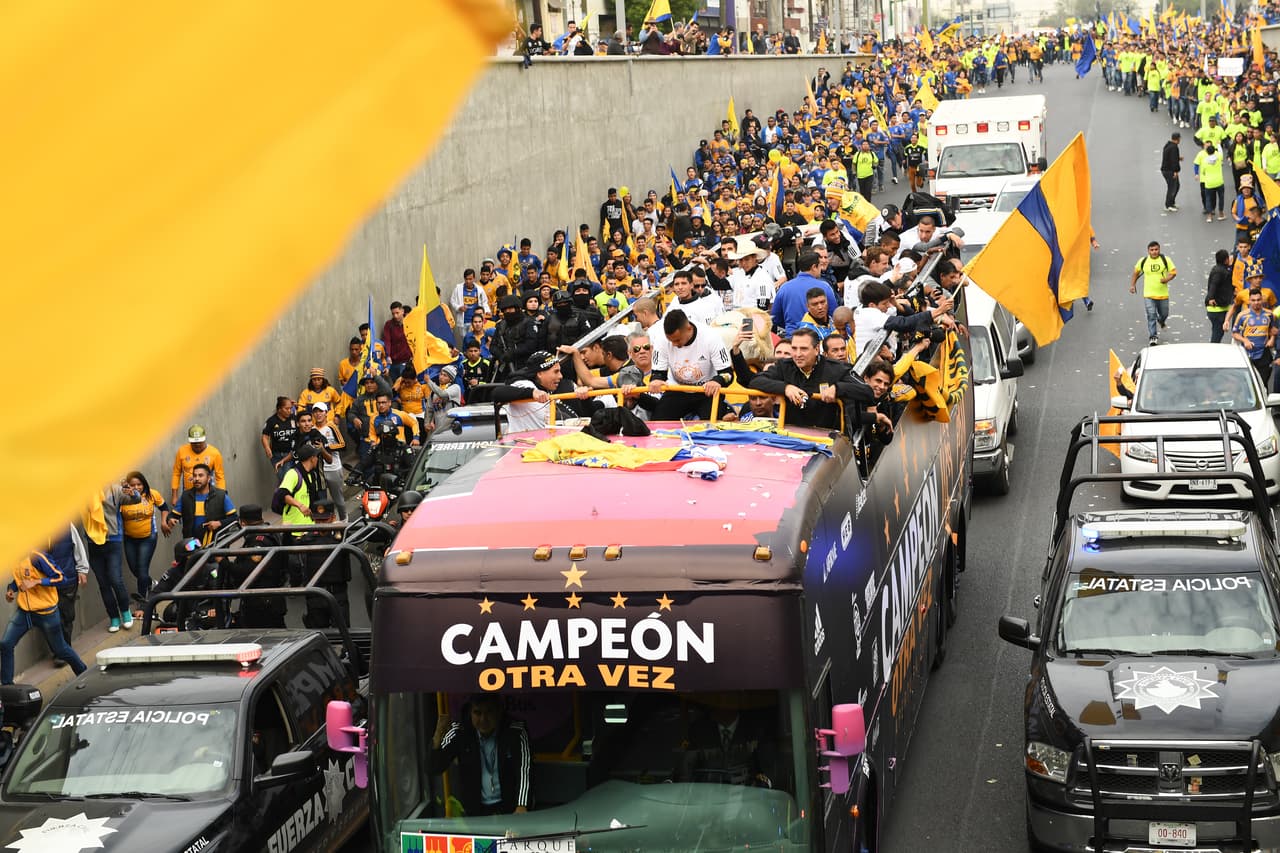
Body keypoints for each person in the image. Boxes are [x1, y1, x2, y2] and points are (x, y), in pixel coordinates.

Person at [749, 328, 877, 430]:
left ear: (816, 349)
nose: (798, 354)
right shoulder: (784, 366)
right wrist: (785, 388)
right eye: (794, 349)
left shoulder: (838, 369)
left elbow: (867, 392)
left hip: (828, 438)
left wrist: (838, 388)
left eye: (803, 349)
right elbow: (755, 381)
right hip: (792, 435)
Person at [429, 694, 532, 816]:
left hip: (510, 809)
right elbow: (434, 768)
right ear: (470, 713)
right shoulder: (459, 731)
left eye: (489, 712)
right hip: (475, 812)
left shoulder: (516, 731)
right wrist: (437, 738)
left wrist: (521, 805)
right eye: (477, 713)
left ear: (499, 712)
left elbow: (525, 769)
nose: (483, 719)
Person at [1, 551, 86, 683]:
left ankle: (83, 674)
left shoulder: (36, 557)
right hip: (24, 612)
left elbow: (61, 577)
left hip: (47, 613)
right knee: (6, 644)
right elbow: (19, 578)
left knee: (61, 649)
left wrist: (37, 582)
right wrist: (11, 589)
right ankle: (7, 687)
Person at [648, 309, 734, 421]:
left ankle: (727, 409)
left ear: (689, 329)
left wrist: (717, 381)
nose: (674, 344)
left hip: (706, 391)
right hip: (677, 389)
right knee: (658, 420)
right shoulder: (661, 340)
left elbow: (727, 374)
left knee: (713, 423)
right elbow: (658, 373)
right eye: (671, 340)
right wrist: (656, 380)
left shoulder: (711, 337)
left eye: (677, 340)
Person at [491, 351, 599, 433]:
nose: (560, 376)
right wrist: (532, 393)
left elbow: (590, 418)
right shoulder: (525, 384)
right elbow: (497, 393)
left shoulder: (564, 386)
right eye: (555, 372)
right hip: (525, 449)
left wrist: (585, 399)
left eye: (560, 371)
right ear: (540, 374)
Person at [84, 483, 133, 632]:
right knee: (103, 583)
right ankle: (114, 618)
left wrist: (133, 493)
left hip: (113, 539)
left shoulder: (114, 489)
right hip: (93, 542)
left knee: (115, 579)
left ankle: (126, 612)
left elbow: (133, 499)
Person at [296, 500, 352, 629]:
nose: (320, 523)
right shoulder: (307, 538)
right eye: (317, 520)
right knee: (318, 633)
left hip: (337, 592)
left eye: (324, 520)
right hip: (315, 593)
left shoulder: (342, 535)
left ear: (332, 518)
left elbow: (357, 540)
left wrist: (341, 528)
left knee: (343, 632)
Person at [120, 471, 167, 602]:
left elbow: (164, 507)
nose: (136, 488)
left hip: (148, 537)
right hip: (129, 538)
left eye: (139, 484)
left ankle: (143, 602)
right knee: (135, 570)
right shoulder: (123, 497)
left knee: (141, 570)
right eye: (132, 485)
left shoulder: (152, 494)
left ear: (143, 484)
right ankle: (152, 584)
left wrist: (164, 522)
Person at [172, 463, 236, 545]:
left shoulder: (221, 496)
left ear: (209, 478)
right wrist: (170, 520)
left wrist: (219, 523)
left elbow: (234, 518)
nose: (197, 479)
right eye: (194, 476)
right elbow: (174, 515)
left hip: (216, 544)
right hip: (192, 544)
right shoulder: (186, 496)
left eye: (200, 475)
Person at [1129, 241, 1177, 345]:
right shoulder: (1143, 261)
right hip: (1148, 294)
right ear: (1148, 251)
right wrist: (1132, 285)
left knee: (1164, 314)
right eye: (1152, 250)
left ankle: (1161, 320)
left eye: (1156, 249)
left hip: (1163, 294)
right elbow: (1135, 273)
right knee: (1151, 315)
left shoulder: (1166, 260)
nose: (1154, 252)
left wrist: (1166, 279)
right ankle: (1153, 336)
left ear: (1159, 250)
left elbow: (1173, 273)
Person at [170, 424, 226, 507]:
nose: (197, 445)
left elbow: (220, 477)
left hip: (208, 495)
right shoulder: (182, 451)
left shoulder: (214, 453)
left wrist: (222, 496)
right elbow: (176, 473)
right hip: (188, 494)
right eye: (194, 443)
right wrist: (174, 496)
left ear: (204, 439)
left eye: (200, 442)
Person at [312, 403, 348, 521]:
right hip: (318, 470)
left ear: (326, 413)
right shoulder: (311, 429)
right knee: (321, 501)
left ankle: (344, 520)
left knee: (338, 498)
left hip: (333, 468)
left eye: (321, 411)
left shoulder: (332, 427)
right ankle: (324, 523)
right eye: (316, 412)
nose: (318, 414)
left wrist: (326, 447)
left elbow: (343, 445)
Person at [1233, 286, 1276, 386]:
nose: (1256, 302)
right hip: (1248, 353)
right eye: (1253, 300)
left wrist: (1272, 339)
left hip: (1264, 352)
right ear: (1249, 301)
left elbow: (1273, 330)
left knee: (1263, 382)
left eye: (1258, 300)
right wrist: (1245, 341)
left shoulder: (1270, 315)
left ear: (1262, 300)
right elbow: (1235, 333)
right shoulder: (1242, 316)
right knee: (1247, 383)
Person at [276, 444, 319, 530]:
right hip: (293, 528)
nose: (317, 459)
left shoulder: (312, 475)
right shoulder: (293, 474)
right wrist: (300, 505)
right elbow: (281, 494)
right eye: (316, 457)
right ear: (312, 458)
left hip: (309, 526)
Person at [261, 396, 298, 482]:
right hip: (276, 456)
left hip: (291, 454)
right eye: (287, 409)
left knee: (288, 479)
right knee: (282, 479)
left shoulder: (294, 418)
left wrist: (297, 407)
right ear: (279, 409)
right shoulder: (271, 421)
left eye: (290, 408)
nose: (289, 411)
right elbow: (265, 436)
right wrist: (267, 447)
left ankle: (284, 494)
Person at [1206, 249, 1235, 343]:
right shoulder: (1220, 272)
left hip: (1219, 308)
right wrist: (1211, 298)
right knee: (1217, 333)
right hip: (1217, 309)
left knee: (1218, 332)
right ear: (1226, 260)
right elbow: (1214, 284)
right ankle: (1213, 351)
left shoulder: (1219, 269)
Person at [1194, 142, 1227, 222]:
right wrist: (1219, 144)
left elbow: (1204, 171)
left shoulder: (1205, 161)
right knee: (1221, 198)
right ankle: (1221, 214)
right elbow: (1221, 152)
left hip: (1209, 182)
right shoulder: (1218, 157)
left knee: (1208, 199)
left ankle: (1209, 216)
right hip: (1219, 181)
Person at [1160, 131, 1182, 212]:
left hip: (1166, 169)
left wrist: (1178, 158)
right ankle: (1168, 205)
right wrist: (1175, 171)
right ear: (1178, 139)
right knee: (1172, 187)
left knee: (1176, 186)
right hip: (1169, 171)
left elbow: (1170, 157)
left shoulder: (1168, 145)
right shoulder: (1174, 147)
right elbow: (1173, 161)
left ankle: (1172, 202)